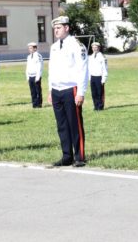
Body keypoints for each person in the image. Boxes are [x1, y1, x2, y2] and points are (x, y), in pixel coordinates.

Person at [47, 16, 89, 167]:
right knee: (62, 125)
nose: (56, 31)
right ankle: (66, 155)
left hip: (71, 89)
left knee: (74, 124)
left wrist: (81, 92)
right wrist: (50, 90)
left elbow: (83, 69)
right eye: (55, 28)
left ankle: (79, 156)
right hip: (57, 89)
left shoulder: (77, 45)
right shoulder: (54, 46)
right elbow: (51, 70)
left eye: (59, 27)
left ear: (67, 28)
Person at [90, 42, 108, 111]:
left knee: (100, 93)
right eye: (93, 47)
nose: (94, 49)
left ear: (99, 48)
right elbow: (90, 68)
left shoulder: (102, 57)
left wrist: (103, 79)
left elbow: (105, 68)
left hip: (99, 77)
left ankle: (100, 106)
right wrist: (89, 77)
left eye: (96, 47)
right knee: (94, 93)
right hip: (93, 77)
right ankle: (95, 106)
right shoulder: (91, 57)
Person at [25, 42, 44, 108]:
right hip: (30, 76)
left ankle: (39, 104)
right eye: (29, 48)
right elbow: (27, 67)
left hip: (36, 76)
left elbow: (40, 67)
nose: (29, 49)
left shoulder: (38, 56)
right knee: (32, 91)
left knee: (38, 91)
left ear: (35, 48)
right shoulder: (29, 57)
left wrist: (38, 77)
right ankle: (34, 103)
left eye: (31, 48)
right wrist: (27, 77)